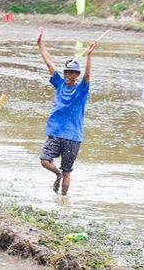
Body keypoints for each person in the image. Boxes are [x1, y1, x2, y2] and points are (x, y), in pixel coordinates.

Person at [36, 27, 98, 196]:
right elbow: (49, 63)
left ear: (76, 74)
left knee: (67, 171)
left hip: (73, 136)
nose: (68, 75)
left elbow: (87, 77)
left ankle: (63, 199)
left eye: (72, 72)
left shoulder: (81, 90)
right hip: (55, 132)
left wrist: (89, 56)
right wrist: (40, 44)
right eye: (66, 72)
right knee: (44, 160)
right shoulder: (59, 84)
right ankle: (56, 175)